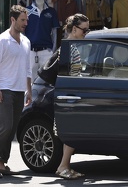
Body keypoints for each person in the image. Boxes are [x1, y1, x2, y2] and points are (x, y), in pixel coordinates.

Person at [0, 5, 32, 178]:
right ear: (13, 20)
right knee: (5, 126)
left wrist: (29, 90)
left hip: (19, 90)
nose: (25, 23)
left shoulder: (26, 41)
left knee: (12, 129)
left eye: (26, 20)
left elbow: (27, 69)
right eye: (22, 20)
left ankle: (1, 163)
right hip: (4, 89)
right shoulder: (1, 40)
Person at [55, 13, 90, 180]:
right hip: (70, 97)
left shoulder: (71, 46)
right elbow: (67, 75)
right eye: (85, 30)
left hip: (71, 95)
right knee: (71, 133)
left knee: (73, 133)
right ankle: (63, 166)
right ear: (74, 29)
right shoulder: (68, 48)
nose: (86, 33)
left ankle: (65, 166)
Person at [25, 0, 60, 80]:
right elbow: (22, 31)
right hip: (30, 51)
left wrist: (53, 50)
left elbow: (55, 33)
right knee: (30, 80)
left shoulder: (51, 11)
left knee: (47, 80)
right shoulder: (26, 11)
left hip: (46, 51)